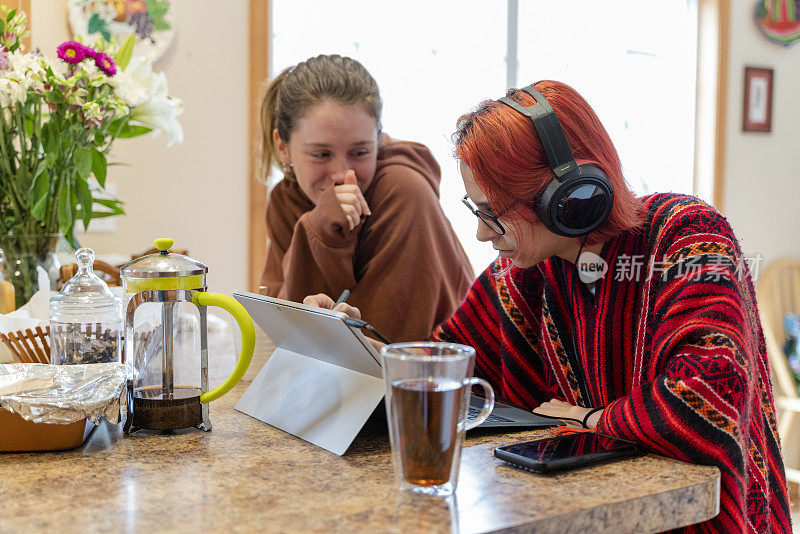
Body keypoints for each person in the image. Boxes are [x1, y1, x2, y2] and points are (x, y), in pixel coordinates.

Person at [306, 80, 791, 532]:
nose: (481, 233)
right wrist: (359, 345)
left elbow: (706, 399)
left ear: (564, 197)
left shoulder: (691, 238)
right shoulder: (520, 274)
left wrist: (587, 418)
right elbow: (445, 365)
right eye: (478, 212)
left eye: (494, 214)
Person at [259, 54, 473, 342]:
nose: (342, 174)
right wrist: (318, 229)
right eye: (321, 154)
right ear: (283, 147)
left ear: (378, 140)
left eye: (360, 153)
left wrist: (320, 235)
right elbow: (282, 332)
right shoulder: (286, 199)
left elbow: (385, 349)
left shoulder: (405, 191)